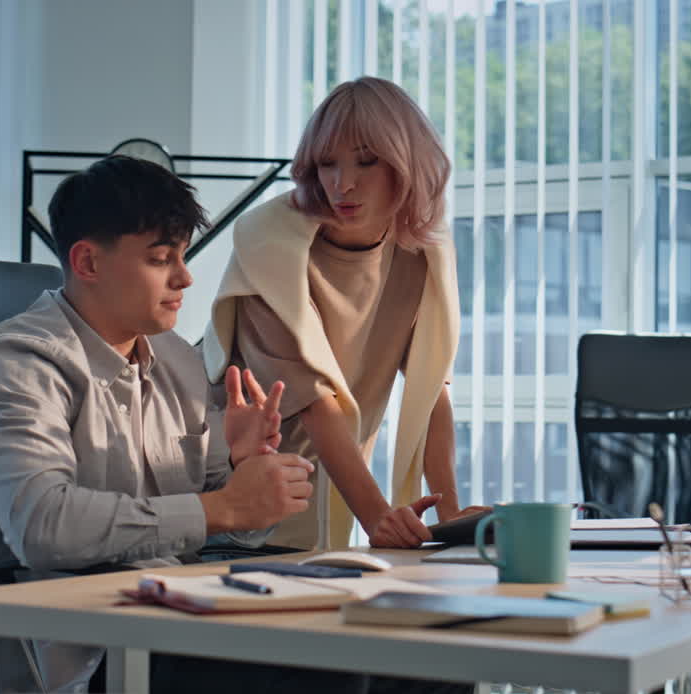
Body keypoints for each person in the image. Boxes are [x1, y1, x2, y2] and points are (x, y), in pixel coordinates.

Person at [0, 155, 472, 694]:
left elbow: (219, 520)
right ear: (87, 262)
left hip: (181, 611)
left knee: (438, 660)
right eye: (161, 260)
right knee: (321, 674)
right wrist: (222, 506)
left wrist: (245, 475)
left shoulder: (174, 358)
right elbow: (41, 526)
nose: (185, 277)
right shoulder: (20, 362)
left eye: (181, 256)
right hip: (80, 646)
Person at [204, 76, 483, 551]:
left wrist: (452, 516)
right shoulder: (269, 245)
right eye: (327, 164)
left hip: (333, 504)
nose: (343, 184)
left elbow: (431, 386)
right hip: (236, 513)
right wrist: (378, 518)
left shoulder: (423, 254)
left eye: (366, 162)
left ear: (405, 164)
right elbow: (315, 402)